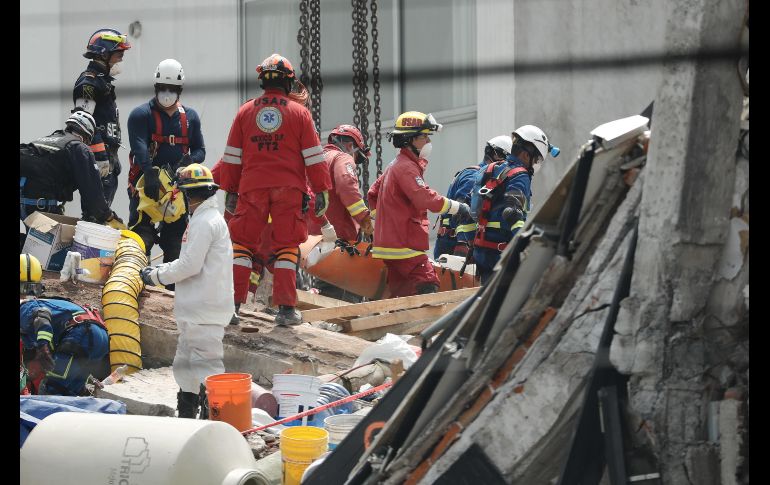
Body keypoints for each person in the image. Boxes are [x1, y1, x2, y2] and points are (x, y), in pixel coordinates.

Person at [216, 53, 332, 326]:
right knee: (287, 247)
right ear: (289, 83)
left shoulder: (245, 112)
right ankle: (286, 311)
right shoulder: (300, 113)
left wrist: (231, 190)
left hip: (252, 188)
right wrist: (322, 189)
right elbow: (314, 157)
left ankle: (231, 308)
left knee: (243, 245)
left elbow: (232, 157)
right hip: (289, 190)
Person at [139, 164, 234, 419]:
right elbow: (188, 260)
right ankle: (188, 415)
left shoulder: (204, 222)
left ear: (187, 194)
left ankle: (216, 421)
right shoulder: (206, 219)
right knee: (185, 366)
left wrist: (156, 275)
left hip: (204, 310)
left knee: (207, 369)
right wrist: (159, 269)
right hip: (198, 309)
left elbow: (190, 265)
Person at [367, 111, 470, 298]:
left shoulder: (395, 165)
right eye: (424, 137)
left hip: (390, 245)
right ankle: (423, 323)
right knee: (427, 280)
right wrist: (458, 208)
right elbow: (423, 198)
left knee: (402, 291)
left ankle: (399, 324)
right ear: (410, 140)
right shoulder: (406, 167)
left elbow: (372, 193)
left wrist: (382, 223)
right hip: (404, 244)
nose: (428, 142)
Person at [127, 59, 206, 291]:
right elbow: (139, 144)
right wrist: (148, 170)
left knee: (174, 245)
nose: (167, 93)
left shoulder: (190, 118)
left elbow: (200, 149)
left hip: (176, 193)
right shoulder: (141, 115)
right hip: (147, 188)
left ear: (180, 90)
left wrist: (190, 160)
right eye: (162, 88)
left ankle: (171, 295)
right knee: (141, 239)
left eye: (172, 89)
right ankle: (134, 285)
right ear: (155, 88)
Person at [470, 125, 559, 283]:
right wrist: (524, 243)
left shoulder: (494, 168)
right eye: (537, 159)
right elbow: (511, 212)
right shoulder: (520, 175)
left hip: (481, 249)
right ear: (526, 155)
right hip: (499, 251)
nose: (537, 163)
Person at [20, 254, 110, 396]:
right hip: (99, 335)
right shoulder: (50, 303)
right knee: (71, 393)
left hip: (80, 335)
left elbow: (42, 316)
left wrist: (43, 347)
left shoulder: (25, 307)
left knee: (52, 390)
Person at [19, 111, 123, 226]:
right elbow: (92, 192)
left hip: (25, 202)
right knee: (59, 243)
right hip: (40, 209)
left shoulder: (44, 141)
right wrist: (108, 216)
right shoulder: (79, 148)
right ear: (87, 135)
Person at [73, 28, 132, 206]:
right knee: (95, 218)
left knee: (102, 217)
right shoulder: (89, 83)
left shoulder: (102, 82)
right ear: (104, 55)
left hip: (108, 157)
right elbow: (82, 124)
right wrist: (100, 157)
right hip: (98, 160)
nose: (121, 59)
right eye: (118, 55)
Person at [433, 135, 512, 260]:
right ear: (497, 155)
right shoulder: (474, 177)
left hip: (452, 243)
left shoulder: (482, 177)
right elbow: (461, 213)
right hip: (455, 246)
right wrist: (465, 246)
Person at [322, 124, 375, 242]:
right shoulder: (343, 158)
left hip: (309, 240)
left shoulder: (317, 160)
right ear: (351, 146)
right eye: (357, 157)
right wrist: (364, 219)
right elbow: (346, 187)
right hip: (337, 240)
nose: (355, 160)